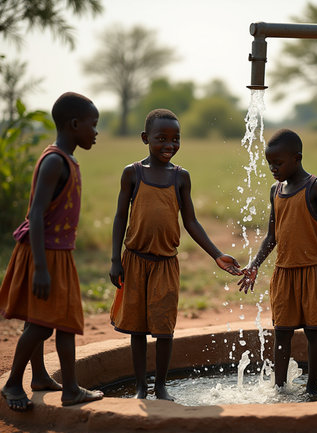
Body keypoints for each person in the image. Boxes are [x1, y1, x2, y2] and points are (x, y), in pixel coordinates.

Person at [109, 108, 241, 401]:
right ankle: (142, 387)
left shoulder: (181, 177)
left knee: (164, 328)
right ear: (145, 138)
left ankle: (161, 387)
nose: (169, 144)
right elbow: (120, 217)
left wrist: (216, 254)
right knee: (138, 329)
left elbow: (190, 222)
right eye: (161, 138)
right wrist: (115, 258)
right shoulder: (132, 173)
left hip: (166, 264)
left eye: (175, 138)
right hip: (134, 260)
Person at [0, 92, 104, 411]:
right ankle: (13, 383)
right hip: (44, 254)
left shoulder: (66, 159)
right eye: (93, 125)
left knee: (63, 319)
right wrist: (41, 269)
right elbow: (35, 216)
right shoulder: (55, 161)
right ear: (74, 124)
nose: (96, 132)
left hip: (59, 252)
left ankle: (54, 381)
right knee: (43, 323)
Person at [238, 129, 317, 400]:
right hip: (284, 273)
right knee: (282, 332)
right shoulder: (276, 190)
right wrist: (255, 264)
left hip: (313, 271)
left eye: (278, 163)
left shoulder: (316, 187)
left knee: (312, 331)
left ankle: (313, 389)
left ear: (297, 158)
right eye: (269, 163)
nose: (273, 168)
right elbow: (272, 235)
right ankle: (279, 389)